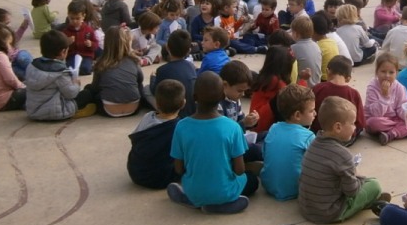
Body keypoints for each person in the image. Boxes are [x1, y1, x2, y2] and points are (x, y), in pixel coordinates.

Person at [166, 72, 258, 214]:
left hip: (194, 190)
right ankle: (222, 204)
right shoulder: (233, 127)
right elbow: (239, 170)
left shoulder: (181, 126)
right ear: (222, 97)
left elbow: (179, 169)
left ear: (194, 97)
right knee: (252, 180)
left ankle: (192, 199)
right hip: (224, 191)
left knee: (194, 183)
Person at [298, 97, 389, 224]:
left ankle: (366, 199)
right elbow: (351, 191)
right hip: (328, 213)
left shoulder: (313, 143)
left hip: (306, 208)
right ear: (338, 127)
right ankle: (367, 201)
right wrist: (356, 176)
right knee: (374, 185)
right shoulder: (342, 155)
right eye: (352, 123)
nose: (354, 127)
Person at [24, 30, 97, 121]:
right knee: (87, 93)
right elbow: (71, 94)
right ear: (63, 52)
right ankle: (77, 111)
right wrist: (76, 84)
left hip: (33, 111)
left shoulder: (32, 65)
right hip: (55, 112)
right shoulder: (60, 72)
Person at [261, 85, 317, 201]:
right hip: (295, 189)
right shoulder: (308, 136)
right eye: (311, 111)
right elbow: (317, 165)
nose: (315, 113)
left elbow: (264, 154)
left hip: (268, 185)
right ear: (297, 115)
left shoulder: (273, 128)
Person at [127, 80, 185, 189]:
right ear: (183, 104)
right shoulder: (181, 127)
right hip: (163, 178)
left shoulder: (147, 117)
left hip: (136, 172)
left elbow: (135, 140)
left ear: (156, 103)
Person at [364, 52, 407, 145]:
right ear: (377, 72)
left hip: (395, 118)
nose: (387, 75)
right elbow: (376, 113)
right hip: (379, 119)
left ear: (396, 73)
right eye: (383, 71)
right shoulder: (372, 87)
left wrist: (406, 114)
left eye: (391, 72)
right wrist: (384, 97)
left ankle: (392, 134)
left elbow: (402, 106)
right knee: (372, 123)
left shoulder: (399, 87)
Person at [91, 27, 144, 117]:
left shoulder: (100, 63)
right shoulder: (134, 60)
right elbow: (140, 80)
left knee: (90, 90)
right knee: (139, 86)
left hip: (108, 110)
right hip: (134, 108)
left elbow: (95, 88)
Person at [311, 56, 365, 141]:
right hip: (344, 137)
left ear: (327, 71)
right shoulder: (354, 94)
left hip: (319, 134)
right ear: (348, 78)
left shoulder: (317, 88)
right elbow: (361, 122)